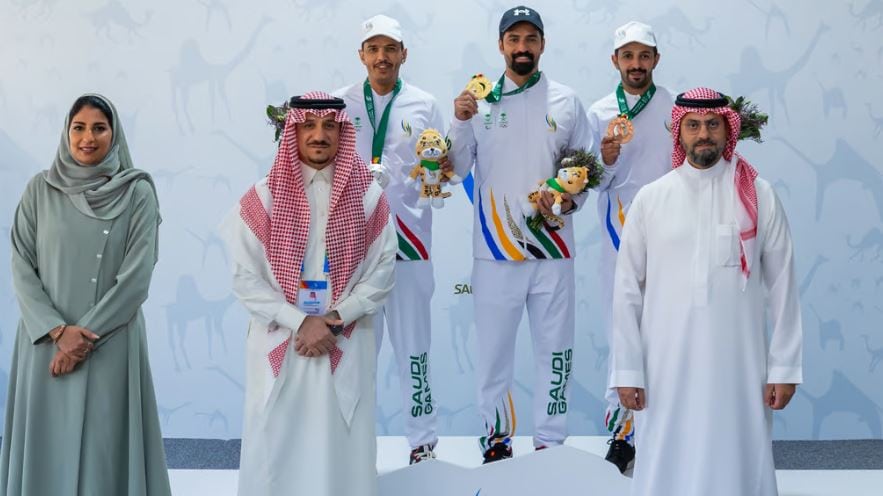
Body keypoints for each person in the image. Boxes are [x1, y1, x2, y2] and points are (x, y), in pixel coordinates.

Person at [609, 87, 803, 496]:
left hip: (739, 365)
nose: (703, 134)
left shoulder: (758, 195)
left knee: (738, 454)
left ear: (728, 130)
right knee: (666, 454)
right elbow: (627, 291)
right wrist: (627, 371)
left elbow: (783, 284)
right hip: (664, 366)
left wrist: (784, 368)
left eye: (713, 125)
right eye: (693, 125)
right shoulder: (651, 199)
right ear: (677, 132)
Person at [221, 92, 396, 496]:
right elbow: (245, 278)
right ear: (293, 131)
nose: (319, 135)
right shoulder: (263, 197)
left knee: (342, 453)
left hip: (344, 340)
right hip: (281, 342)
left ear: (342, 132)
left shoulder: (368, 196)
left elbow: (383, 271)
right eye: (309, 126)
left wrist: (333, 320)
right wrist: (300, 322)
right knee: (276, 449)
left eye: (330, 126)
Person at [2, 94, 171, 495]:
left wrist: (81, 339)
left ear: (115, 134)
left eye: (99, 128)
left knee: (103, 448)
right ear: (67, 132)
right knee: (46, 447)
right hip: (45, 344)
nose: (88, 138)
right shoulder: (39, 190)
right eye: (78, 127)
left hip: (109, 343)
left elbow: (136, 278)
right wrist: (59, 332)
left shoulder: (137, 192)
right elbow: (21, 265)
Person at [448, 5, 594, 462]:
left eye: (531, 39)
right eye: (514, 39)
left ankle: (551, 444)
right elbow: (455, 170)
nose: (523, 47)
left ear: (542, 45)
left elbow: (586, 169)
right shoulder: (479, 102)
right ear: (501, 46)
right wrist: (458, 121)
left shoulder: (567, 101)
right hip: (495, 252)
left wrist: (567, 201)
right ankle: (497, 442)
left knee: (556, 354)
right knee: (494, 356)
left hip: (554, 249)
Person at [333, 14, 445, 464]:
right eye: (373, 49)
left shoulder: (424, 104)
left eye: (390, 48)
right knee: (356, 355)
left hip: (410, 244)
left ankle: (423, 444)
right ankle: (352, 447)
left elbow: (442, 166)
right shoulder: (339, 104)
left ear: (403, 54)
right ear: (361, 55)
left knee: (414, 352)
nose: (382, 57)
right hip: (356, 248)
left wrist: (438, 173)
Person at [585, 20, 674, 474]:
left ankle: (667, 430)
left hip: (670, 237)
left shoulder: (675, 108)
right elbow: (589, 182)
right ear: (615, 60)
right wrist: (605, 162)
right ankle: (623, 437)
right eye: (628, 56)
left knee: (670, 334)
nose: (636, 64)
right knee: (623, 334)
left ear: (655, 59)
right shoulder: (599, 112)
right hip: (617, 238)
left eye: (644, 55)